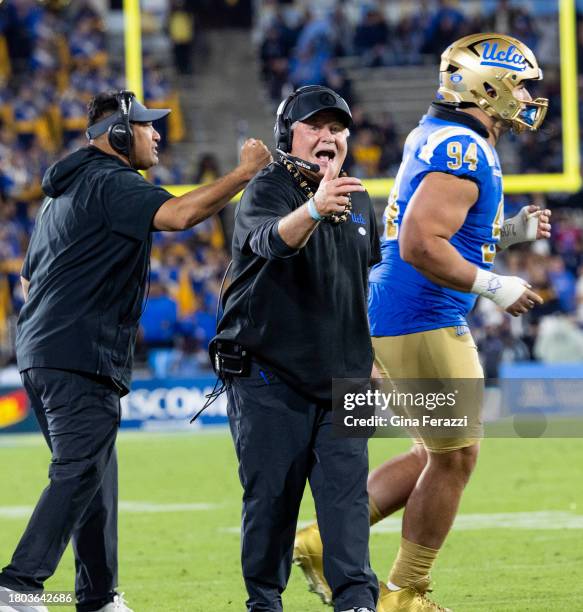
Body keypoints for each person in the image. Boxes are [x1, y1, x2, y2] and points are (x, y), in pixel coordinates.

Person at [293, 33, 552, 611]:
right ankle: (404, 592)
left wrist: (508, 234)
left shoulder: (444, 134)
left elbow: (439, 229)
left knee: (431, 454)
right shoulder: (462, 147)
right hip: (422, 314)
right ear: (485, 84)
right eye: (520, 84)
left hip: (404, 310)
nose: (529, 95)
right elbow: (419, 242)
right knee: (455, 457)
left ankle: (320, 542)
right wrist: (494, 285)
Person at [0, 90, 271, 612]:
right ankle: (19, 584)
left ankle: (98, 597)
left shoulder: (64, 193)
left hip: (45, 349)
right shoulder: (113, 181)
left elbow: (31, 279)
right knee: (80, 468)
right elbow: (179, 215)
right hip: (78, 351)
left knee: (94, 471)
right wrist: (243, 174)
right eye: (147, 127)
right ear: (119, 137)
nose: (158, 135)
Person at [213, 85, 381, 612]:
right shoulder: (266, 189)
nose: (329, 137)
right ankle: (264, 602)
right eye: (316, 127)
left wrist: (371, 353)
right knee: (272, 503)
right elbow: (268, 242)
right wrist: (313, 207)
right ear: (290, 135)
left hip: (345, 379)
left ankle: (356, 602)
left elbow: (360, 283)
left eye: (337, 129)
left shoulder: (361, 200)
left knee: (347, 502)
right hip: (270, 375)